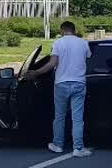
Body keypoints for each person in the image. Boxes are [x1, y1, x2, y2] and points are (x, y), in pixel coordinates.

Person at [29, 20, 92, 156]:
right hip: (79, 83)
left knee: (59, 116)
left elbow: (52, 64)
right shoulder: (83, 43)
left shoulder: (58, 43)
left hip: (61, 83)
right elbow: (88, 58)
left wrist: (36, 72)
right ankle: (78, 148)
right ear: (74, 30)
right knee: (77, 118)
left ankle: (58, 144)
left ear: (62, 30)